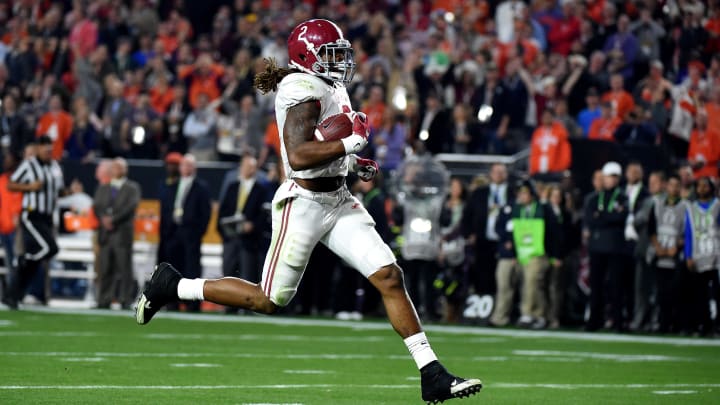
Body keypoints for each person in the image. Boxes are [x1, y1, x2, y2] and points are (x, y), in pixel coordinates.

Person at [135, 19, 481, 403]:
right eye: (331, 54)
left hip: (338, 200)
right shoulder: (299, 87)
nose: (341, 61)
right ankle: (174, 285)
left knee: (388, 275)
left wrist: (353, 165)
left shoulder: (332, 84)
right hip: (303, 204)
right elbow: (299, 156)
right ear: (307, 57)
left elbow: (327, 150)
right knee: (267, 299)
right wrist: (350, 143)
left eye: (341, 53)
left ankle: (431, 373)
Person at [2, 136, 63, 309]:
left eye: (50, 150)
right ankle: (24, 265)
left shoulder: (55, 166)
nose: (48, 153)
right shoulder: (29, 165)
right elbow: (11, 185)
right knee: (50, 249)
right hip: (31, 216)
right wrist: (30, 187)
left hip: (47, 217)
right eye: (45, 150)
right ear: (37, 149)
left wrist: (68, 192)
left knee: (35, 257)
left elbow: (57, 191)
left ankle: (13, 295)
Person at [216, 154, 269, 313]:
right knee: (229, 272)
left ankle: (247, 308)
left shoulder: (261, 189)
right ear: (241, 167)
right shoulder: (232, 186)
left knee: (247, 275)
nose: (249, 169)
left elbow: (263, 214)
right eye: (246, 165)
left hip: (249, 240)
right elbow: (223, 211)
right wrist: (224, 233)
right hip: (231, 237)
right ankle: (229, 307)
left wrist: (252, 226)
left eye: (252, 166)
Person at [584, 161, 630, 332]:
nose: (609, 180)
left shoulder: (622, 197)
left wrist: (602, 216)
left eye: (613, 177)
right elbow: (591, 219)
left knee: (616, 286)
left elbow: (620, 218)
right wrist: (610, 217)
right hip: (597, 247)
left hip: (616, 248)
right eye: (607, 177)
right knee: (595, 286)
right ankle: (594, 321)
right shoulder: (593, 198)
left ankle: (618, 321)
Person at [92, 158, 141, 309]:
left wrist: (113, 219)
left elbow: (131, 206)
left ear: (125, 170)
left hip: (122, 233)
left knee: (125, 268)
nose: (117, 170)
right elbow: (96, 206)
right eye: (115, 167)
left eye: (120, 168)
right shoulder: (103, 187)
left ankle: (125, 299)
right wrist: (104, 219)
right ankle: (103, 299)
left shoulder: (132, 188)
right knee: (105, 268)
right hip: (105, 234)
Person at [166, 153, 211, 312]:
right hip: (174, 232)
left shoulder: (201, 187)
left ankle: (192, 303)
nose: (186, 168)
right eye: (184, 165)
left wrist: (199, 232)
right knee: (173, 268)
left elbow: (206, 213)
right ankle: (173, 302)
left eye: (189, 165)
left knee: (191, 269)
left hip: (191, 233)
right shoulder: (173, 184)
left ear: (194, 168)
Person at [648, 174, 686, 333]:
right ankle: (662, 324)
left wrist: (677, 247)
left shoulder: (685, 206)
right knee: (660, 292)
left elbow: (688, 231)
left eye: (677, 185)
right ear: (666, 186)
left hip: (676, 255)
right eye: (671, 185)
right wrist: (657, 247)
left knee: (676, 291)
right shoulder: (657, 203)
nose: (674, 188)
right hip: (660, 253)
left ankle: (676, 324)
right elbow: (651, 227)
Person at [683, 177, 720, 336]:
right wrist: (688, 255)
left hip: (717, 256)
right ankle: (703, 325)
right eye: (700, 186)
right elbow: (689, 233)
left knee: (718, 294)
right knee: (700, 295)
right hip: (699, 256)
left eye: (706, 185)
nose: (703, 188)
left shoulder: (718, 206)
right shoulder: (691, 208)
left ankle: (717, 325)